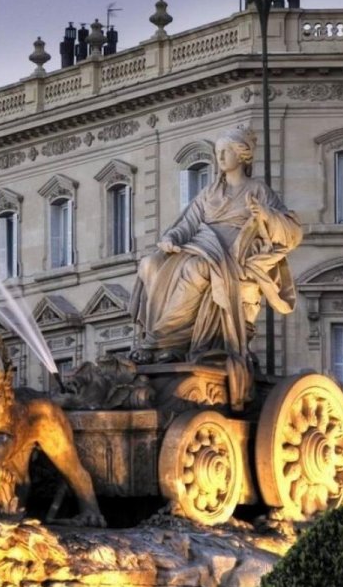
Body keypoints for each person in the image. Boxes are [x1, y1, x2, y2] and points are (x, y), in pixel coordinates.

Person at [129, 125, 302, 408]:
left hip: (231, 255)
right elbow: (188, 223)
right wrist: (171, 238)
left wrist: (266, 215)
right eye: (218, 152)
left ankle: (160, 341)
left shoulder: (257, 190)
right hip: (200, 243)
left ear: (241, 155)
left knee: (195, 269)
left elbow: (292, 232)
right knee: (149, 264)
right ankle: (162, 342)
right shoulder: (209, 192)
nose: (220, 157)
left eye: (226, 151)